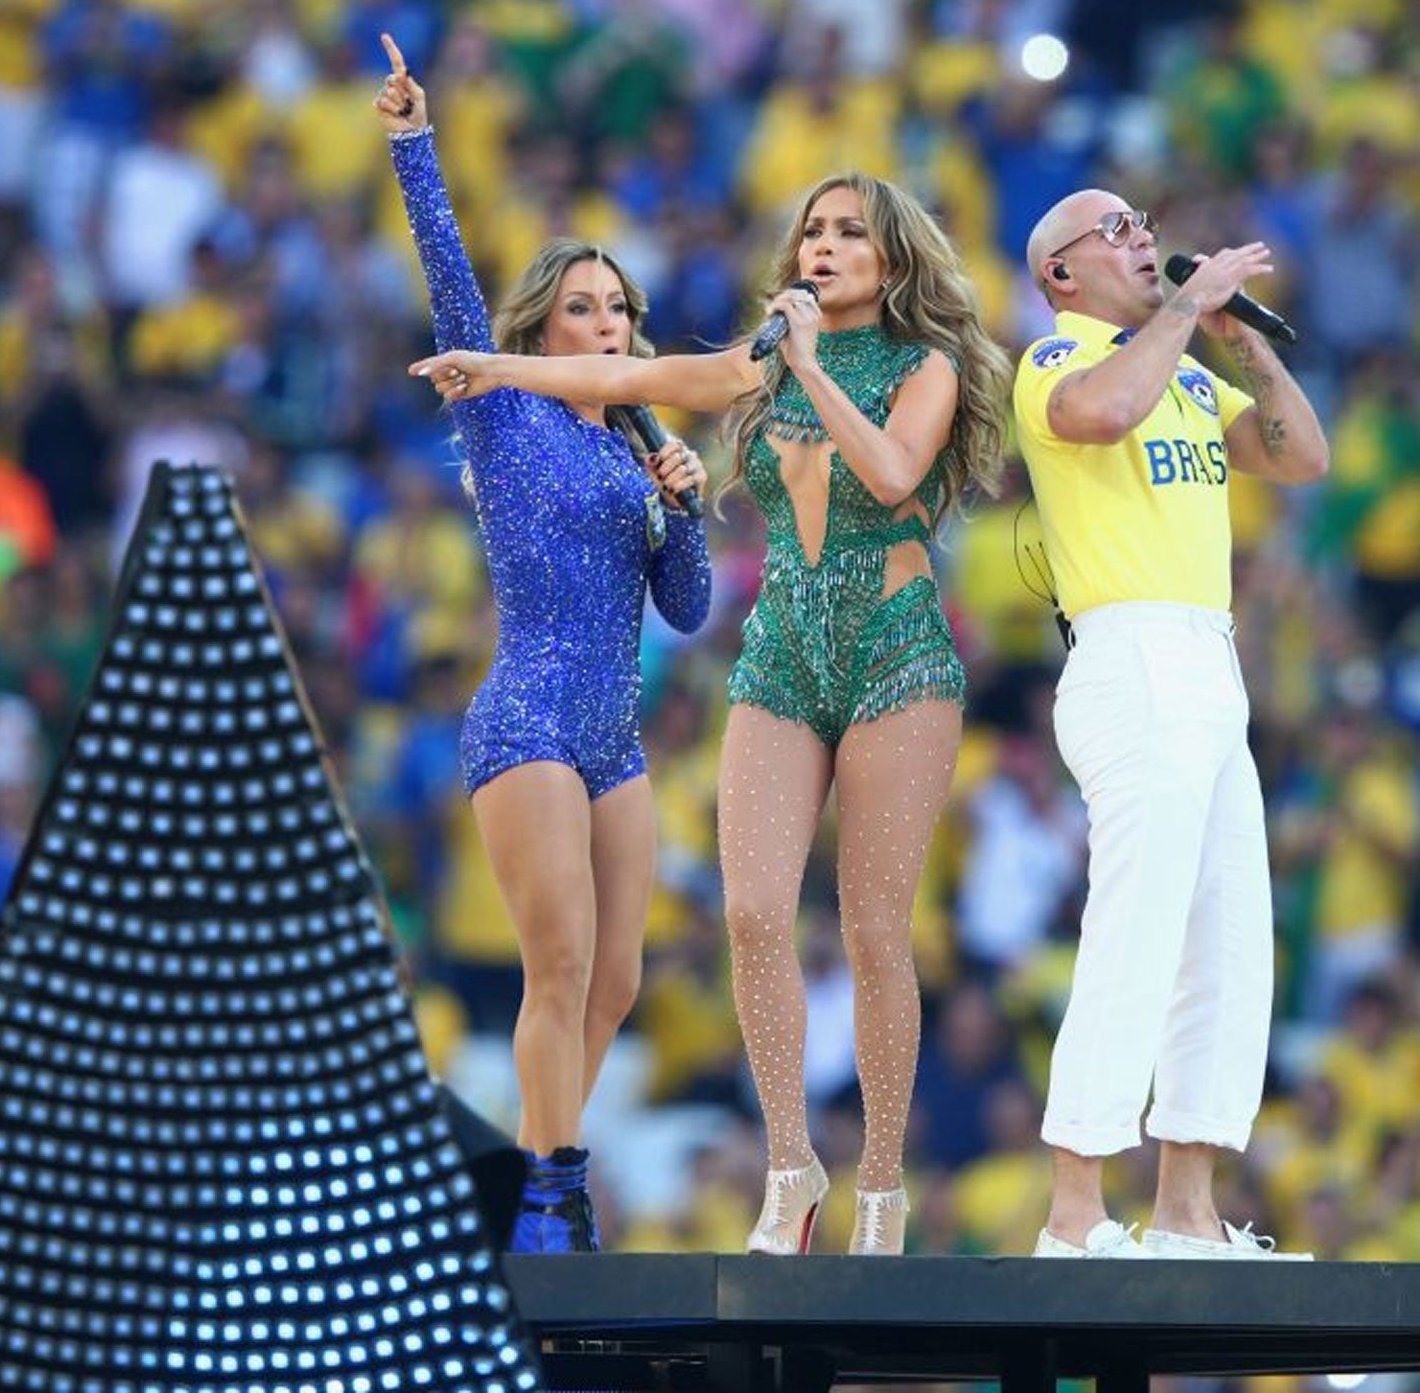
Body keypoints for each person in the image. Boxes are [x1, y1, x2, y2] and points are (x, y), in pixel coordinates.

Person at [413, 171, 1009, 1255]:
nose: (820, 249)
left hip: (893, 649)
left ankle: (881, 1188)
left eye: (847, 234)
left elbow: (884, 475)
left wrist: (793, 380)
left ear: (892, 259)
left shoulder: (927, 366)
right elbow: (634, 371)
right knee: (744, 918)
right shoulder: (756, 363)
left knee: (874, 931)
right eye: (810, 233)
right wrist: (492, 366)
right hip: (774, 654)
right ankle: (787, 1169)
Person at [375, 34, 713, 1253]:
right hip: (526, 717)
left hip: (613, 736)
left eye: (621, 306)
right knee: (557, 964)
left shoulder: (635, 447)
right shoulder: (506, 414)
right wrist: (416, 145)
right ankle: (552, 1194)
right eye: (583, 305)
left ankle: (536, 1168)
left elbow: (685, 607)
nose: (609, 321)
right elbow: (452, 290)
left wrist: (678, 499)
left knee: (614, 983)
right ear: (543, 328)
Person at [1010, 190, 1330, 1260]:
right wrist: (1185, 312)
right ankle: (1072, 1210)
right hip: (1128, 649)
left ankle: (1186, 1208)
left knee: (1228, 935)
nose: (1141, 235)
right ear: (1059, 272)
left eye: (1143, 221)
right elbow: (1099, 416)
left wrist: (1238, 344)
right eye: (1113, 229)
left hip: (1208, 652)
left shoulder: (1187, 365)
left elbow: (1297, 457)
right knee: (1136, 928)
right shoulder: (1055, 362)